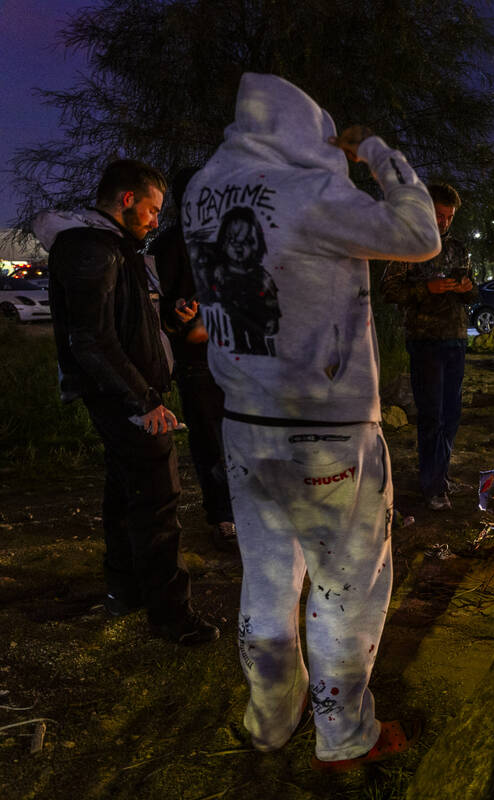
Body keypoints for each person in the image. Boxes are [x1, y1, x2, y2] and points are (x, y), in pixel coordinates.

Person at [183, 72, 441, 771]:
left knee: (266, 578)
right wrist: (380, 154)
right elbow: (421, 234)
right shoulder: (312, 194)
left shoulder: (200, 194)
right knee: (344, 585)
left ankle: (268, 717)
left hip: (242, 423)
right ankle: (344, 733)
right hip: (323, 430)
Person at [32, 159, 219, 646]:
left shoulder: (114, 247)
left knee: (127, 496)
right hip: (126, 399)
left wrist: (174, 321)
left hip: (131, 395)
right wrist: (143, 402)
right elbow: (91, 340)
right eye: (153, 210)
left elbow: (131, 327)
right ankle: (172, 617)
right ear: (128, 199)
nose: (156, 221)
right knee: (159, 502)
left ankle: (127, 590)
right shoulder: (91, 249)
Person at [147, 167, 237, 551]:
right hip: (197, 358)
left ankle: (248, 509)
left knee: (242, 437)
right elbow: (157, 310)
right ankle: (223, 516)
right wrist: (178, 315)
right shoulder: (168, 246)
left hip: (238, 356)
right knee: (209, 440)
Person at [380, 183, 478, 511]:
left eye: (449, 217)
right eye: (439, 215)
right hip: (424, 341)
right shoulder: (408, 245)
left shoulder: (458, 248)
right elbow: (389, 289)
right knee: (432, 414)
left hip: (455, 338)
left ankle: (441, 475)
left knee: (451, 413)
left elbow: (471, 291)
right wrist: (428, 288)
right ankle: (432, 485)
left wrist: (466, 289)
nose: (444, 222)